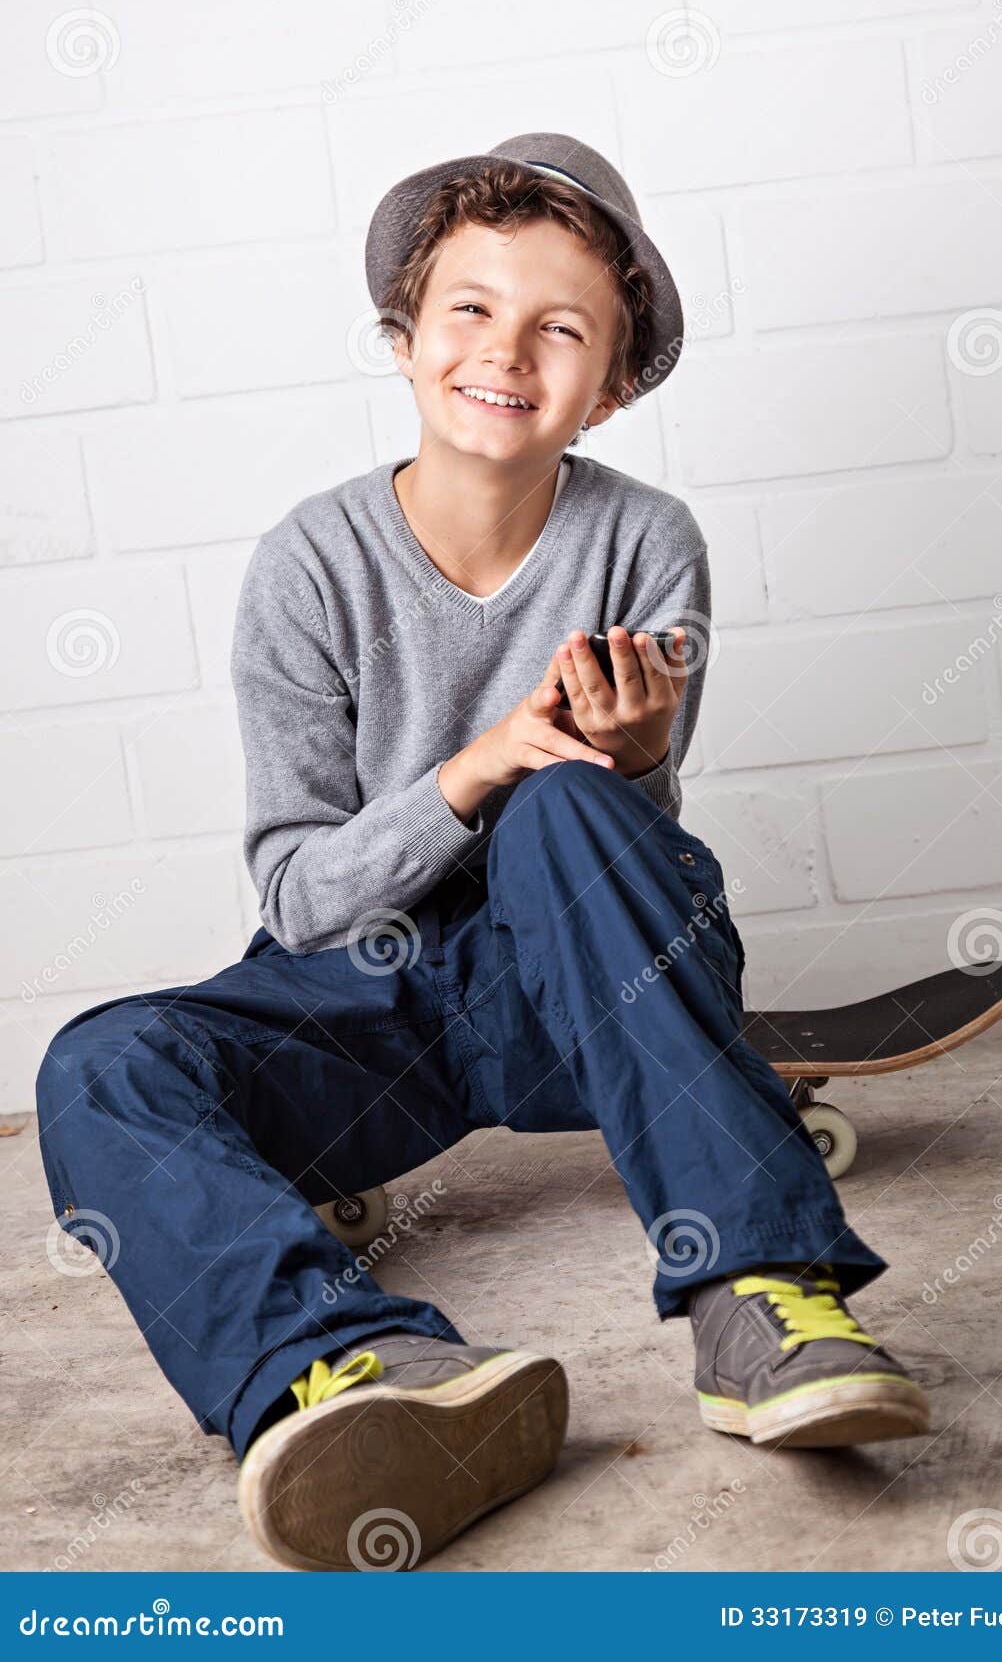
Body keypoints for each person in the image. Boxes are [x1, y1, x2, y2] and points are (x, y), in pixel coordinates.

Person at [35, 133, 929, 1575]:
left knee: (574, 807)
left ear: (616, 379)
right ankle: (356, 1368)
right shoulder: (307, 565)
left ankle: (764, 1295)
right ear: (404, 337)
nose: (505, 352)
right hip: (366, 1006)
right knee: (96, 1063)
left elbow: (633, 862)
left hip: (568, 986)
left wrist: (629, 764)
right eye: (471, 311)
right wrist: (469, 767)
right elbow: (297, 893)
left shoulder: (648, 539)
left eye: (560, 328)